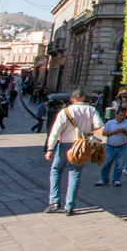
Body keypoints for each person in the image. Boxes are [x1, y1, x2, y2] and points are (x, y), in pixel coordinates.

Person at [44, 88, 105, 216]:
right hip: (82, 145)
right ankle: (69, 206)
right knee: (75, 174)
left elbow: (55, 132)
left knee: (56, 170)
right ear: (83, 98)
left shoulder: (65, 111)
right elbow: (98, 127)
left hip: (65, 144)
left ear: (71, 99)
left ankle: (54, 201)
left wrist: (50, 148)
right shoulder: (91, 110)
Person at [96, 108, 127, 186]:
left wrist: (125, 131)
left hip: (122, 147)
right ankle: (104, 179)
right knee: (106, 164)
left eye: (123, 115)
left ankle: (116, 179)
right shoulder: (110, 123)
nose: (122, 117)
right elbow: (104, 133)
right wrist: (114, 132)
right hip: (110, 147)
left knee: (119, 165)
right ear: (116, 115)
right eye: (120, 115)